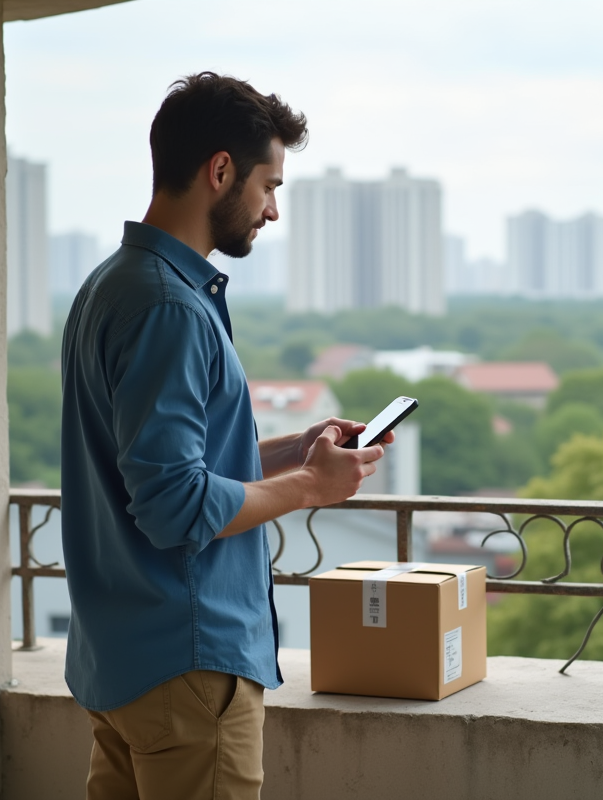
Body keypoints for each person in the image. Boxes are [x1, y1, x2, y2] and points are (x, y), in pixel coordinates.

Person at [60, 72, 387, 800]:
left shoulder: (110, 286)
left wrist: (296, 451)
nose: (272, 210)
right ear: (220, 171)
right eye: (269, 186)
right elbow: (174, 505)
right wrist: (312, 487)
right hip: (187, 668)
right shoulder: (170, 309)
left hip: (121, 662)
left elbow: (157, 465)